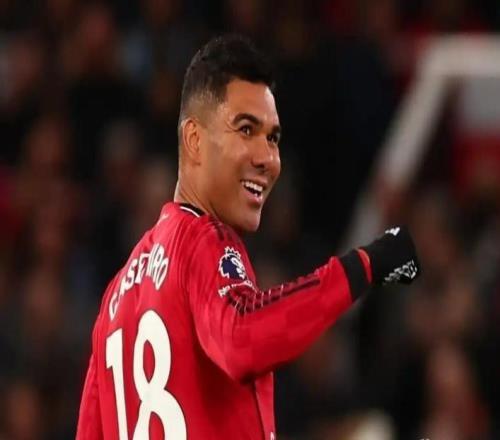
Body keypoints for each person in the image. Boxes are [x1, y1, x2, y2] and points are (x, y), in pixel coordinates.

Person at [76, 34, 420, 440]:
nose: (267, 159)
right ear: (194, 140)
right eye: (245, 129)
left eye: (272, 138)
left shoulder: (114, 300)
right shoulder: (201, 239)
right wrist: (367, 264)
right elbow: (241, 338)